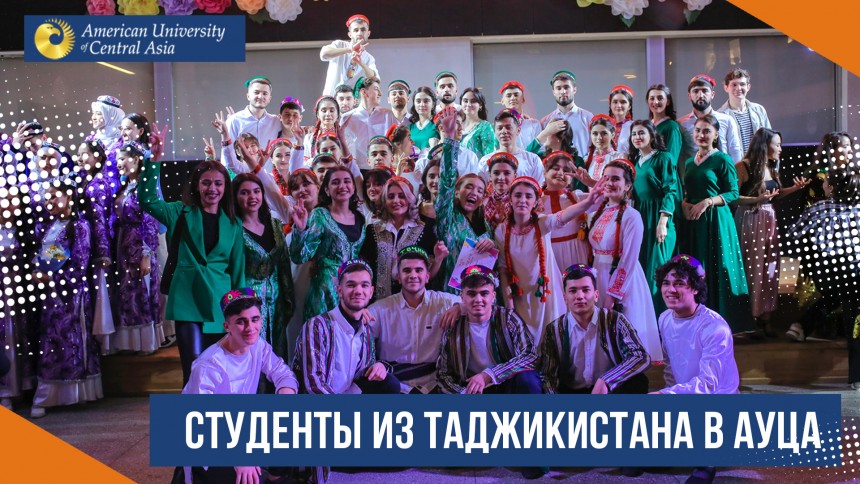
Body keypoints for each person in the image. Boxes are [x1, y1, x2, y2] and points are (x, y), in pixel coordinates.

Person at [139, 126, 246, 385]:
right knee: (194, 367)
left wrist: (240, 309)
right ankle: (191, 409)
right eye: (206, 182)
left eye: (218, 183)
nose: (212, 188)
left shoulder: (233, 223)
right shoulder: (180, 212)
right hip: (188, 301)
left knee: (220, 370)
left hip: (220, 304)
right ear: (197, 186)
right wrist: (153, 160)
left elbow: (237, 270)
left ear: (225, 188)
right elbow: (147, 200)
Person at [181, 288, 300, 484]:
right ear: (227, 326)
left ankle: (275, 477)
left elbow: (283, 373)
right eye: (241, 321)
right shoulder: (209, 365)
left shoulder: (258, 345)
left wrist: (285, 397)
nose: (250, 328)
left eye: (255, 319)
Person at [651, 254, 740, 484]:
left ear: (696, 288)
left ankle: (706, 463)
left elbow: (708, 385)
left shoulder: (714, 327)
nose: (671, 290)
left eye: (680, 283)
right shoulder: (664, 318)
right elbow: (670, 369)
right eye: (666, 283)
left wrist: (666, 396)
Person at [497, 176, 603, 345]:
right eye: (517, 195)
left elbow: (562, 216)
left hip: (546, 295)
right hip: (520, 297)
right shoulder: (502, 230)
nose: (522, 200)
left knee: (553, 342)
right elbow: (503, 270)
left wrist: (588, 202)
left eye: (528, 196)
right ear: (510, 199)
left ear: (536, 202)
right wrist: (509, 306)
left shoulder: (541, 223)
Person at [31, 180, 101, 418]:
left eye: (54, 196)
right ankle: (48, 395)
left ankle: (71, 394)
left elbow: (79, 266)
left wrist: (50, 277)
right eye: (47, 198)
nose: (49, 202)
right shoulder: (51, 226)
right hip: (51, 296)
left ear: (68, 197)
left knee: (70, 343)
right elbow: (45, 258)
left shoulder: (79, 226)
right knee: (50, 343)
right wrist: (38, 270)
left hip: (72, 296)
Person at [786, 166, 860, 388]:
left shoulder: (818, 208)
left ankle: (802, 325)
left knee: (843, 302)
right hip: (852, 272)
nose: (823, 185)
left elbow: (793, 234)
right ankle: (856, 378)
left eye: (826, 182)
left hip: (826, 272)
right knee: (854, 320)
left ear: (832, 188)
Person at [678, 114, 752, 334]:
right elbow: (689, 191)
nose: (701, 135)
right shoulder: (690, 162)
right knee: (697, 268)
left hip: (716, 221)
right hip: (695, 222)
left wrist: (708, 202)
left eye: (706, 131)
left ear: (716, 134)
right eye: (698, 130)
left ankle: (722, 323)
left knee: (718, 267)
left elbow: (733, 193)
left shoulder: (722, 159)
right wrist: (685, 203)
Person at [587, 159, 663, 361]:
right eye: (606, 178)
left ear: (628, 186)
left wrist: (614, 293)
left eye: (616, 179)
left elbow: (628, 259)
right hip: (599, 274)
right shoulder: (597, 213)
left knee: (623, 329)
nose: (609, 183)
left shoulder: (632, 216)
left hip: (622, 278)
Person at [734, 128, 808, 336]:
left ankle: (765, 316)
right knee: (753, 267)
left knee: (770, 268)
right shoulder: (743, 166)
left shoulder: (771, 165)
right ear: (764, 145)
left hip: (768, 219)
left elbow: (774, 195)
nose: (780, 149)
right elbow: (733, 197)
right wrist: (757, 199)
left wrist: (794, 189)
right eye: (777, 144)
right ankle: (750, 318)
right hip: (750, 218)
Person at [293, 259, 401, 394]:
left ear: (371, 291)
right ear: (339, 290)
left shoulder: (366, 331)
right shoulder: (318, 326)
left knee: (390, 384)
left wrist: (380, 366)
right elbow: (314, 384)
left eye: (364, 285)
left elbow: (366, 374)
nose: (358, 291)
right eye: (351, 285)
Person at [540, 264, 650, 394]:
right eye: (573, 291)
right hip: (573, 394)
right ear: (565, 298)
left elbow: (640, 356)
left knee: (638, 381)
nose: (580, 296)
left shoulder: (615, 320)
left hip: (609, 390)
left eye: (586, 290)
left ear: (596, 295)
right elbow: (548, 375)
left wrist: (606, 380)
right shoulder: (554, 329)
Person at [367, 246, 460, 393]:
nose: (413, 275)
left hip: (434, 384)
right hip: (394, 385)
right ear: (398, 277)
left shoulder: (444, 302)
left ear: (427, 277)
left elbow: (477, 303)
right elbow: (358, 335)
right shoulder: (380, 309)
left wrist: (460, 308)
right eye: (406, 270)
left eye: (418, 270)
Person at [232, 172, 295, 359]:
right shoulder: (233, 228)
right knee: (251, 354)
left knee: (277, 351)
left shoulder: (274, 224)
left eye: (256, 191)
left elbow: (283, 263)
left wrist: (288, 297)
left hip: (276, 300)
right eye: (244, 193)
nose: (252, 197)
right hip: (247, 301)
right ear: (235, 197)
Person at [290, 165, 366, 319]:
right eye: (335, 182)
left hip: (352, 293)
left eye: (347, 181)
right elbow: (300, 256)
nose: (342, 186)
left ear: (353, 187)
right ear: (326, 190)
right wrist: (300, 230)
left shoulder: (360, 217)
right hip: (324, 292)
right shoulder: (320, 215)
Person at [435, 108, 495, 293]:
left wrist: (491, 244)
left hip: (482, 296)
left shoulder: (484, 224)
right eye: (468, 187)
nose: (474, 193)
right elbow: (446, 180)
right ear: (456, 192)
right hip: (454, 295)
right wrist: (450, 138)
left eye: (480, 190)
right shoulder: (447, 217)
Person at [111, 142, 164, 354]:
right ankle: (129, 342)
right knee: (126, 293)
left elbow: (150, 220)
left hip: (139, 244)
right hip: (123, 244)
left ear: (135, 159)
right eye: (117, 159)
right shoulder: (124, 186)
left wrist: (146, 254)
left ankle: (145, 342)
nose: (119, 163)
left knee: (141, 291)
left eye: (122, 158)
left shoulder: (145, 186)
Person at [627, 120, 680, 313]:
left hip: (659, 217)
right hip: (641, 218)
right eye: (634, 134)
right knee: (642, 268)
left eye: (642, 133)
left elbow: (670, 190)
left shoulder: (663, 158)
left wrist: (663, 221)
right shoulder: (635, 163)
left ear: (652, 135)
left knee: (658, 269)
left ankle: (663, 317)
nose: (637, 137)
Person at [360, 177, 444, 299]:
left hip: (413, 303)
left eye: (402, 196)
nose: (396, 201)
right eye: (390, 197)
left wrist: (438, 259)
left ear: (410, 199)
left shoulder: (425, 230)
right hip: (377, 302)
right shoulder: (372, 230)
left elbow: (428, 275)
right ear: (384, 201)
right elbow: (365, 268)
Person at [678, 74, 743, 171]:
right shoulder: (681, 124)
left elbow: (735, 152)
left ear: (712, 94)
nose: (700, 95)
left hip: (722, 175)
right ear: (689, 96)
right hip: (694, 176)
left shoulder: (727, 120)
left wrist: (736, 177)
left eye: (705, 91)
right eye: (696, 91)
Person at [541, 151, 590, 271]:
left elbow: (607, 196)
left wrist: (589, 182)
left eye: (566, 170)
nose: (560, 173)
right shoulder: (535, 201)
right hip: (549, 256)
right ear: (545, 172)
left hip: (577, 253)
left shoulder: (577, 197)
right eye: (555, 168)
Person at [341, 76, 397, 169]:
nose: (380, 94)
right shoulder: (347, 118)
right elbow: (345, 147)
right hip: (358, 170)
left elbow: (396, 144)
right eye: (376, 89)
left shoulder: (388, 115)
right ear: (364, 92)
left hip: (383, 169)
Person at [479, 109, 545, 184]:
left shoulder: (533, 160)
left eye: (508, 127)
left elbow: (539, 187)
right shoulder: (485, 161)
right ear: (495, 132)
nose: (504, 131)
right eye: (499, 128)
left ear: (518, 130)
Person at [225, 77, 281, 162]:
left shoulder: (276, 121)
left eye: (265, 93)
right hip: (242, 170)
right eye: (256, 92)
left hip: (268, 170)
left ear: (269, 98)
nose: (260, 96)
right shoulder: (234, 120)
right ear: (248, 96)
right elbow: (228, 153)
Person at [321, 14, 378, 96]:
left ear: (368, 33)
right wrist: (350, 50)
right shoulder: (339, 44)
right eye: (356, 30)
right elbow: (324, 53)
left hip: (352, 101)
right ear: (350, 34)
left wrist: (361, 63)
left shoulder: (369, 58)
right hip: (331, 98)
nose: (360, 33)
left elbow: (373, 77)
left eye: (363, 30)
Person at [718, 68, 772, 154]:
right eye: (734, 84)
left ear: (748, 87)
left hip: (759, 161)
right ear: (726, 88)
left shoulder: (759, 110)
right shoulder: (720, 115)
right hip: (735, 162)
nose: (738, 88)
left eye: (742, 84)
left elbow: (769, 139)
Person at [541, 70, 593, 158]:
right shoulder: (546, 121)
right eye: (558, 88)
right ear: (553, 92)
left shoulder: (588, 117)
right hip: (555, 165)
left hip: (583, 165)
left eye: (566, 87)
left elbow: (594, 147)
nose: (563, 91)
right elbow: (543, 149)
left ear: (574, 89)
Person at [646, 84, 686, 180]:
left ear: (667, 101)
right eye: (652, 98)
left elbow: (671, 160)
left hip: (664, 180)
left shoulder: (672, 127)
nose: (655, 102)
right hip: (648, 178)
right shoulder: (647, 126)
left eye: (660, 98)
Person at [86, 95, 125, 190]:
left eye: (98, 114)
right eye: (93, 113)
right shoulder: (90, 139)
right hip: (90, 189)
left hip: (114, 191)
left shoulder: (123, 142)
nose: (93, 117)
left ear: (111, 116)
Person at [576, 115, 625, 187]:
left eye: (604, 133)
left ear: (613, 135)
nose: (599, 138)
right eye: (595, 134)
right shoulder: (587, 159)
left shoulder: (620, 158)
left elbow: (620, 186)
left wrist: (592, 183)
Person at [499, 80, 541, 149]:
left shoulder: (534, 124)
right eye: (508, 96)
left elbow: (540, 151)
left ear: (523, 99)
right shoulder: (499, 126)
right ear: (502, 101)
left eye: (516, 95)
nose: (513, 98)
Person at [460, 87, 495, 158]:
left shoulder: (485, 126)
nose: (469, 104)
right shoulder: (457, 125)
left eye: (473, 101)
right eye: (465, 101)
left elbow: (489, 156)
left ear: (480, 105)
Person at [408, 86, 440, 151]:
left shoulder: (438, 126)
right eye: (418, 101)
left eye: (426, 101)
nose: (422, 104)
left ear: (433, 104)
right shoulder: (409, 128)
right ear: (414, 104)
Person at [608, 85, 634, 153]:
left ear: (629, 106)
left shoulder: (634, 127)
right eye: (615, 102)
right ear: (610, 105)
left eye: (623, 102)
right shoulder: (604, 126)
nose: (619, 105)